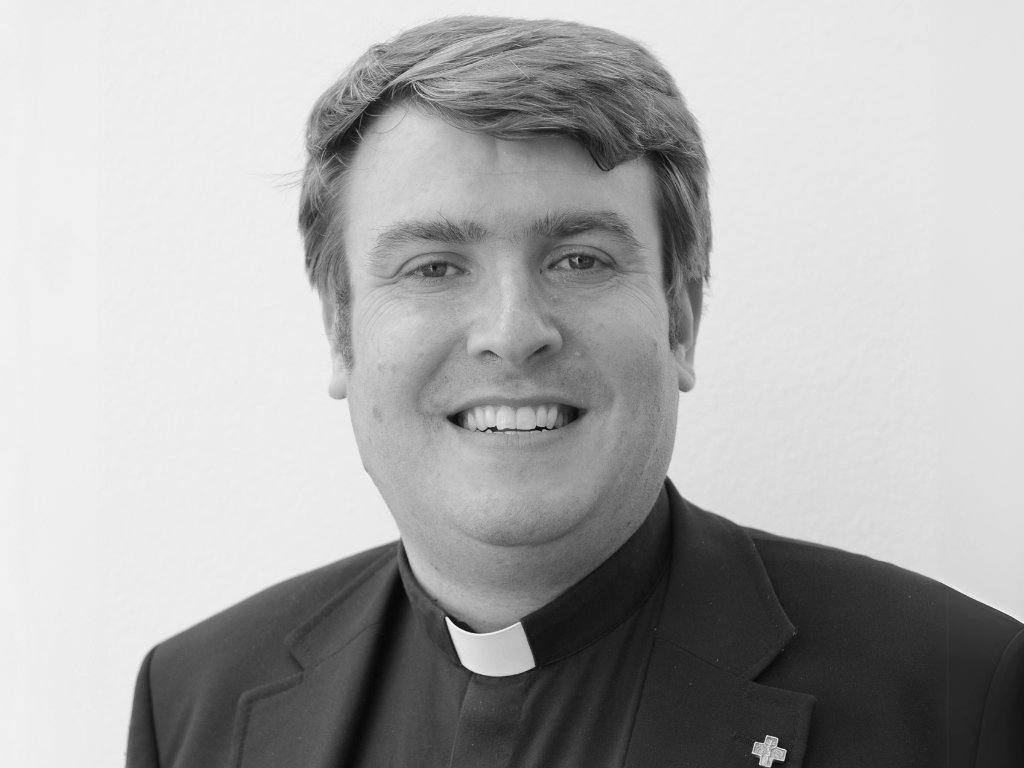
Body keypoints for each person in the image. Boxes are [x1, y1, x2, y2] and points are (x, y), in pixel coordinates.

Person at [126, 16, 1023, 768]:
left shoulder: (959, 698)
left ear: (681, 318)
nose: (513, 330)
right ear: (340, 332)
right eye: (434, 266)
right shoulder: (197, 702)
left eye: (580, 259)